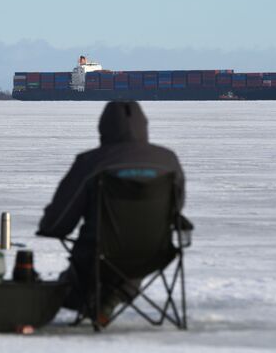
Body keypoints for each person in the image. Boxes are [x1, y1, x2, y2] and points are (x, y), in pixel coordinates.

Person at [36, 101, 188, 321]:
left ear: (103, 127)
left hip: (97, 254)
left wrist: (50, 228)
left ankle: (85, 300)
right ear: (144, 124)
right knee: (133, 249)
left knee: (77, 281)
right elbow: (177, 207)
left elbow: (60, 219)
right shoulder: (168, 160)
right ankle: (112, 298)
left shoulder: (91, 162)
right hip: (155, 254)